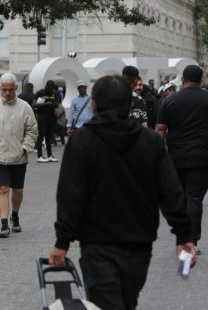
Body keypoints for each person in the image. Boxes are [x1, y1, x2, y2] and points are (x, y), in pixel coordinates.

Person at [49, 75, 196, 310]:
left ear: (94, 104)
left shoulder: (82, 142)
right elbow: (171, 192)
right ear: (129, 105)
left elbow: (70, 196)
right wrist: (183, 235)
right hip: (139, 244)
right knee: (126, 303)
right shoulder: (150, 142)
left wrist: (62, 241)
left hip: (97, 244)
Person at [156, 64, 208, 255]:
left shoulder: (170, 100)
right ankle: (191, 242)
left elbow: (160, 129)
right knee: (194, 197)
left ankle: (183, 238)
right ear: (201, 80)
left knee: (182, 198)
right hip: (202, 159)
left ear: (183, 80)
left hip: (176, 158)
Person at [0, 73, 38, 238]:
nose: (7, 93)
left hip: (19, 155)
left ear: (16, 89)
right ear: (0, 89)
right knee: (3, 188)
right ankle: (4, 224)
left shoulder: (25, 107)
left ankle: (15, 215)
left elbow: (32, 130)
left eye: (10, 90)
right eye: (4, 90)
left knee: (17, 189)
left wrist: (25, 148)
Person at [33, 80, 59, 162]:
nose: (51, 90)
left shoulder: (53, 93)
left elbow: (57, 104)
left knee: (48, 137)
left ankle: (50, 155)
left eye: (52, 88)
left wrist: (52, 104)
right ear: (46, 86)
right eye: (50, 88)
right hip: (41, 118)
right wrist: (45, 104)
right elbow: (34, 104)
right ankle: (39, 156)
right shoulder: (40, 93)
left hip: (51, 118)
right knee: (41, 136)